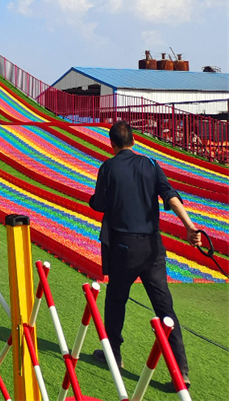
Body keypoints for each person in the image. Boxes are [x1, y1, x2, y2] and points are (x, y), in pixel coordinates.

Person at [89, 121, 198, 388]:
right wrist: (190, 226)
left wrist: (99, 201)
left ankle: (114, 354)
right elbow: (170, 196)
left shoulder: (108, 167)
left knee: (116, 300)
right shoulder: (150, 164)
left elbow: (99, 203)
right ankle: (180, 371)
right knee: (164, 308)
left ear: (111, 144)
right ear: (134, 141)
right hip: (153, 247)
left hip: (123, 247)